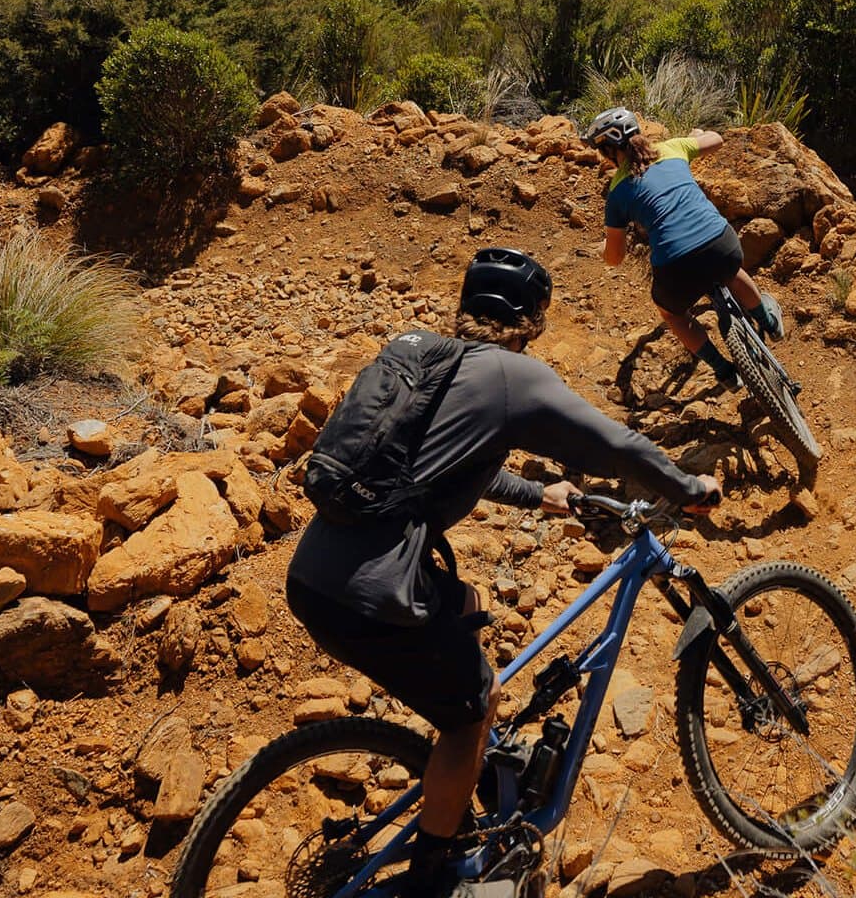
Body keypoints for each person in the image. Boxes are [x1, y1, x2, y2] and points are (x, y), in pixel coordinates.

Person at [285, 247, 719, 897]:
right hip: (370, 596)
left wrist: (545, 495)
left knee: (465, 604)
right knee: (469, 713)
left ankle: (477, 775)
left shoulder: (431, 358)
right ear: (531, 320)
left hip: (313, 575)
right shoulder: (512, 374)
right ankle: (436, 871)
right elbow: (616, 446)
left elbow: (442, 465)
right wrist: (686, 485)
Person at [585, 108, 785, 388]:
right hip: (721, 243)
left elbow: (615, 258)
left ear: (608, 150)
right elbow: (717, 139)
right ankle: (770, 323)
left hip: (676, 267)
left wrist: (605, 249)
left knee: (671, 313)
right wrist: (695, 136)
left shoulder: (617, 192)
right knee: (731, 270)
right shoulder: (673, 148)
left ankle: (724, 371)